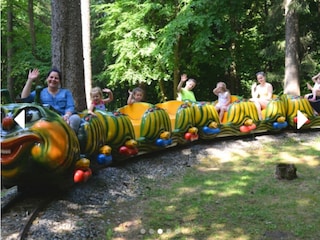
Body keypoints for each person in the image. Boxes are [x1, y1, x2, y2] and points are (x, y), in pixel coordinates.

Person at [21, 68, 81, 133]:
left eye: (56, 78)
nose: (53, 80)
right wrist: (30, 80)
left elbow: (70, 106)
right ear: (47, 79)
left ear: (59, 81)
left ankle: (70, 140)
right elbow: (24, 98)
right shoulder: (40, 92)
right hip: (46, 120)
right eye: (51, 77)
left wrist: (67, 116)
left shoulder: (66, 92)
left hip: (63, 119)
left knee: (75, 118)